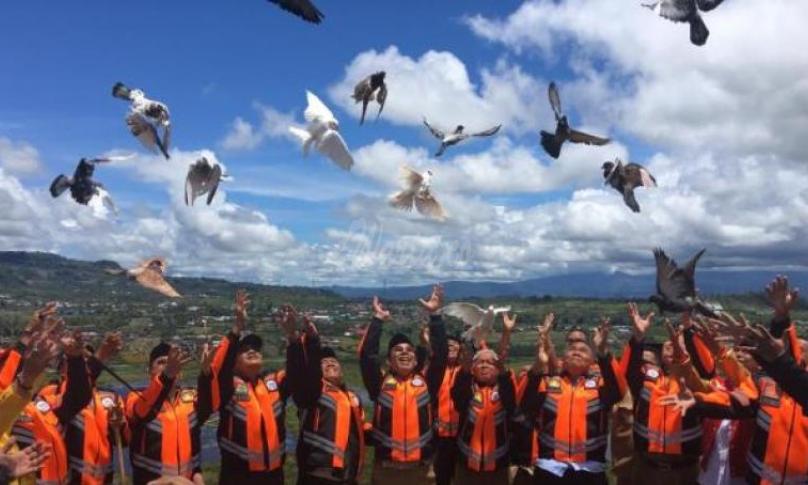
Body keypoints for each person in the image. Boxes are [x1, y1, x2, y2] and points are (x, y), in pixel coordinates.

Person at [358, 285, 448, 485]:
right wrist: (378, 320)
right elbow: (367, 357)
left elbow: (440, 356)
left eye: (409, 350)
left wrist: (435, 315)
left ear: (416, 361)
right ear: (389, 361)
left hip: (422, 473)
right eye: (397, 350)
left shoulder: (426, 384)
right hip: (387, 473)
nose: (404, 352)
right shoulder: (379, 385)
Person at [202, 291, 291, 485]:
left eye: (256, 348)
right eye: (243, 350)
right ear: (234, 362)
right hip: (237, 478)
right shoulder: (228, 387)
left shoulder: (274, 382)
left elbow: (300, 373)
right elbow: (220, 368)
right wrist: (237, 327)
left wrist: (292, 336)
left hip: (275, 476)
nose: (252, 350)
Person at [522, 317, 622, 485]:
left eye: (583, 349)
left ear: (592, 361)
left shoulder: (600, 386)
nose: (576, 351)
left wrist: (603, 352)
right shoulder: (548, 384)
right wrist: (538, 366)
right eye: (571, 349)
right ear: (564, 359)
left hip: (590, 469)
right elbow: (525, 403)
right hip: (550, 469)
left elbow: (617, 390)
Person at [288, 315, 368, 485]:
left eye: (334, 361)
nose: (330, 363)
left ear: (342, 371)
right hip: (316, 475)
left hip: (348, 476)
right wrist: (304, 340)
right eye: (324, 363)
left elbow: (361, 431)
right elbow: (303, 371)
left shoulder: (353, 398)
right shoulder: (313, 391)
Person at [11, 320, 92, 485]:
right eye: (34, 358)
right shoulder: (8, 412)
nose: (39, 365)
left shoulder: (45, 404)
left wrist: (75, 359)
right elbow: (7, 370)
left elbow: (79, 397)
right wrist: (25, 342)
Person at [451, 338, 516, 484]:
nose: (484, 366)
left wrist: (503, 371)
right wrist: (465, 369)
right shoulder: (467, 390)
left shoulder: (504, 391)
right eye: (480, 362)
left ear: (498, 369)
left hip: (498, 468)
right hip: (467, 468)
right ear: (473, 369)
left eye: (490, 363)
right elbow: (457, 395)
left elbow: (510, 400)